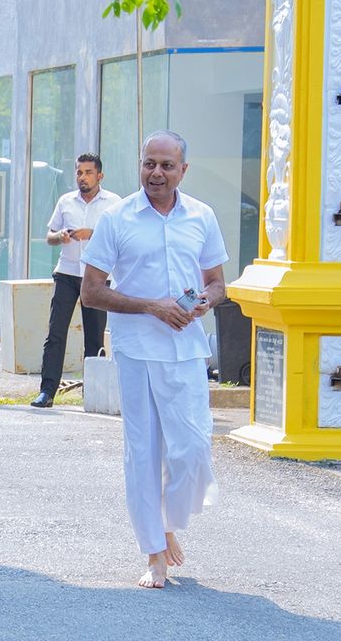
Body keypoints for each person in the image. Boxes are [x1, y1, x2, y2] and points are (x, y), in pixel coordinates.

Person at [80, 130, 227, 589]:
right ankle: (154, 553)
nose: (156, 173)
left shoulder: (201, 216)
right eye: (149, 163)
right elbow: (91, 291)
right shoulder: (117, 218)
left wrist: (203, 301)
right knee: (142, 453)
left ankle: (167, 521)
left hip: (186, 349)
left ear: (183, 170)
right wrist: (151, 306)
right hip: (136, 351)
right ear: (139, 165)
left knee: (193, 448)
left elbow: (219, 282)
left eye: (166, 165)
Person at [32, 153, 120, 408]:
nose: (82, 177)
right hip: (67, 273)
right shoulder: (65, 201)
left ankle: (92, 394)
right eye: (79, 172)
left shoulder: (113, 203)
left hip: (98, 277)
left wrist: (92, 233)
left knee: (94, 337)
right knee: (56, 332)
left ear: (100, 175)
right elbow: (48, 236)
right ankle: (47, 391)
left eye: (88, 172)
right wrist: (59, 235)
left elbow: (120, 238)